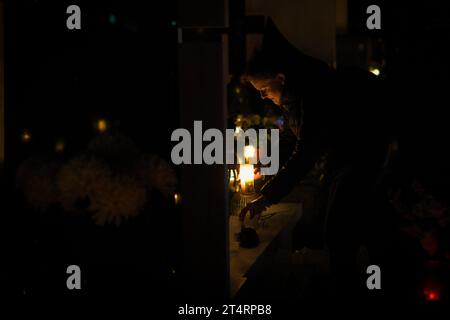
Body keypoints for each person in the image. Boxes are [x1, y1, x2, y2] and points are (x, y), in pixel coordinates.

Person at [239, 48, 392, 298]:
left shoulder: (312, 94)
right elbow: (292, 136)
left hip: (364, 154)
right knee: (341, 225)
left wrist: (267, 196)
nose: (264, 97)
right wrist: (267, 161)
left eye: (264, 90)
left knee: (340, 229)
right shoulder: (295, 97)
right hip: (348, 156)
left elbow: (305, 153)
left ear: (280, 78)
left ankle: (351, 289)